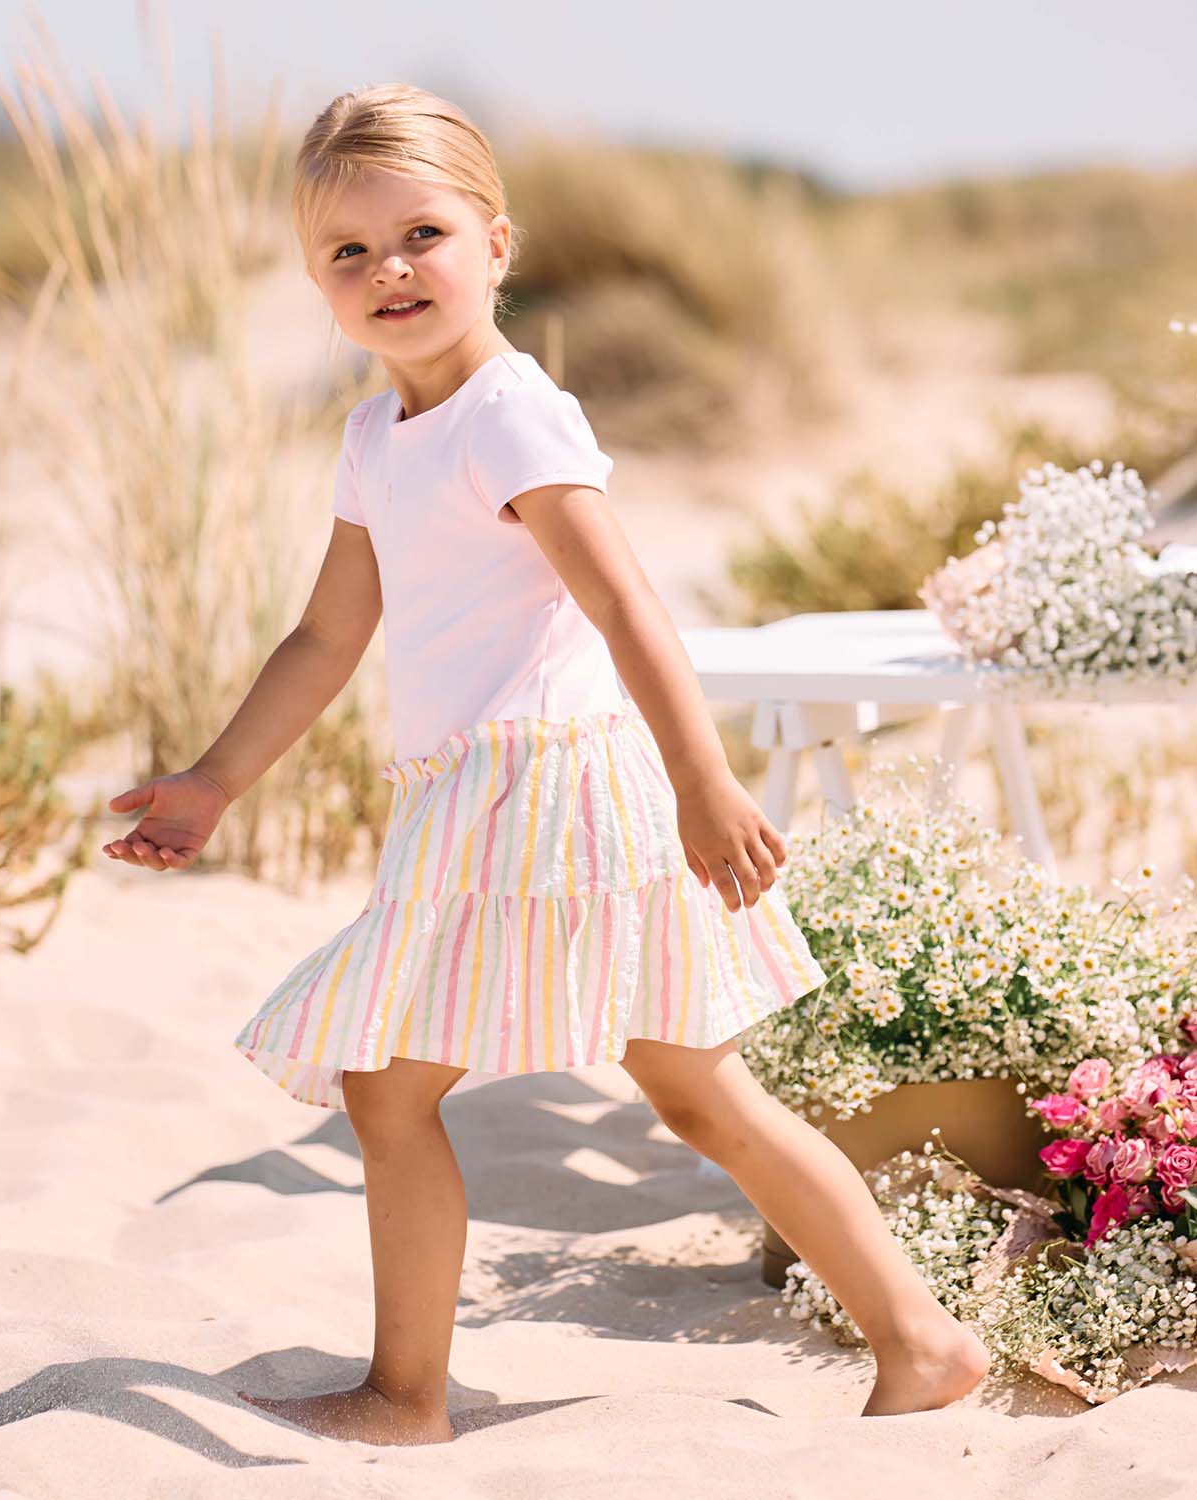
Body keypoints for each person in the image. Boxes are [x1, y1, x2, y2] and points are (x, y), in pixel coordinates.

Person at [100, 83, 991, 1445]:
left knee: (391, 1084)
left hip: (549, 792)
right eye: (350, 253)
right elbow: (327, 635)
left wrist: (704, 782)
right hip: (492, 796)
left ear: (496, 247)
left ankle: (408, 1395)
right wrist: (218, 779)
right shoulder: (373, 439)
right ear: (314, 281)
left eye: (423, 235)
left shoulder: (512, 414)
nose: (390, 271)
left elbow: (627, 604)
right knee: (697, 1093)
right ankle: (921, 1343)